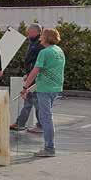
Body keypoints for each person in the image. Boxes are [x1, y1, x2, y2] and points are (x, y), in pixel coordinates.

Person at [22, 28, 65, 157]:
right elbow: (47, 73)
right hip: (55, 88)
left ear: (46, 38)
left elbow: (35, 71)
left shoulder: (44, 52)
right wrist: (30, 88)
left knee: (46, 118)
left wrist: (25, 86)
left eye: (42, 36)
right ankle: (49, 147)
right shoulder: (59, 51)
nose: (40, 38)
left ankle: (49, 148)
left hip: (45, 89)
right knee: (46, 117)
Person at [11, 23, 44, 132]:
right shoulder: (33, 43)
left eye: (29, 32)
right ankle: (20, 123)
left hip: (36, 78)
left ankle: (40, 125)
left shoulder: (39, 44)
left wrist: (31, 74)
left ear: (36, 32)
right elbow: (31, 62)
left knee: (35, 102)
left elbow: (37, 63)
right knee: (30, 102)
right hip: (32, 76)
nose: (28, 34)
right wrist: (28, 73)